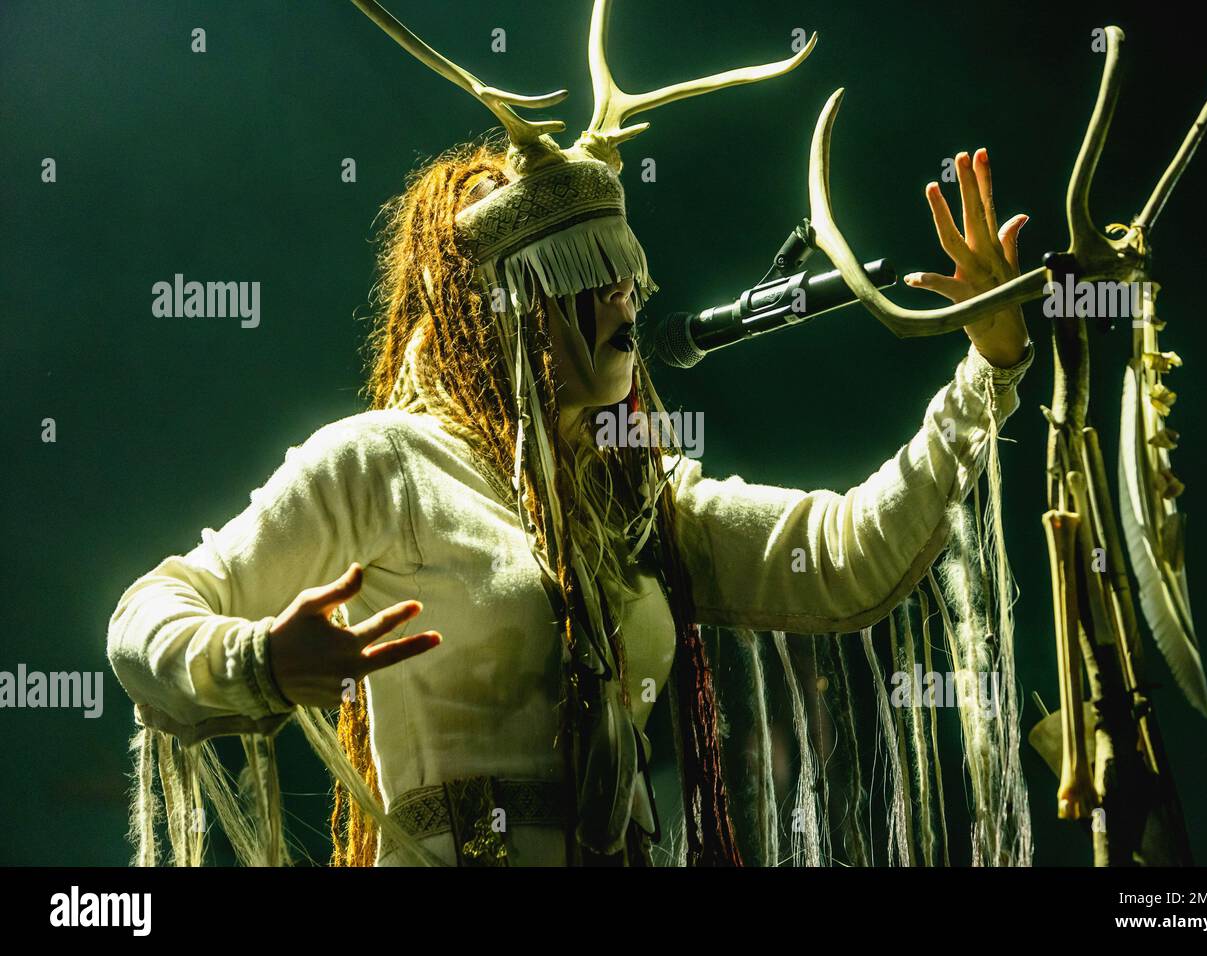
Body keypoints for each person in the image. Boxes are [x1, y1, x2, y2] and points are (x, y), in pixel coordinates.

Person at [106, 1, 1033, 867]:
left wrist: (988, 368)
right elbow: (145, 619)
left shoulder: (636, 494)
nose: (622, 300)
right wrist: (259, 658)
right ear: (500, 316)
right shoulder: (383, 463)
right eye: (584, 278)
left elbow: (842, 555)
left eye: (623, 273)